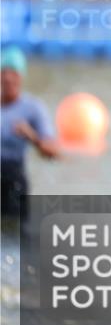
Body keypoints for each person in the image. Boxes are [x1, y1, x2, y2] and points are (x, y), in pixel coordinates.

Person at [0, 47, 58, 231]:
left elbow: (52, 152)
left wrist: (32, 136)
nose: (8, 78)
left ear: (21, 77)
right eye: (4, 73)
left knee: (15, 234)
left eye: (13, 73)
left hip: (14, 179)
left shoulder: (32, 108)